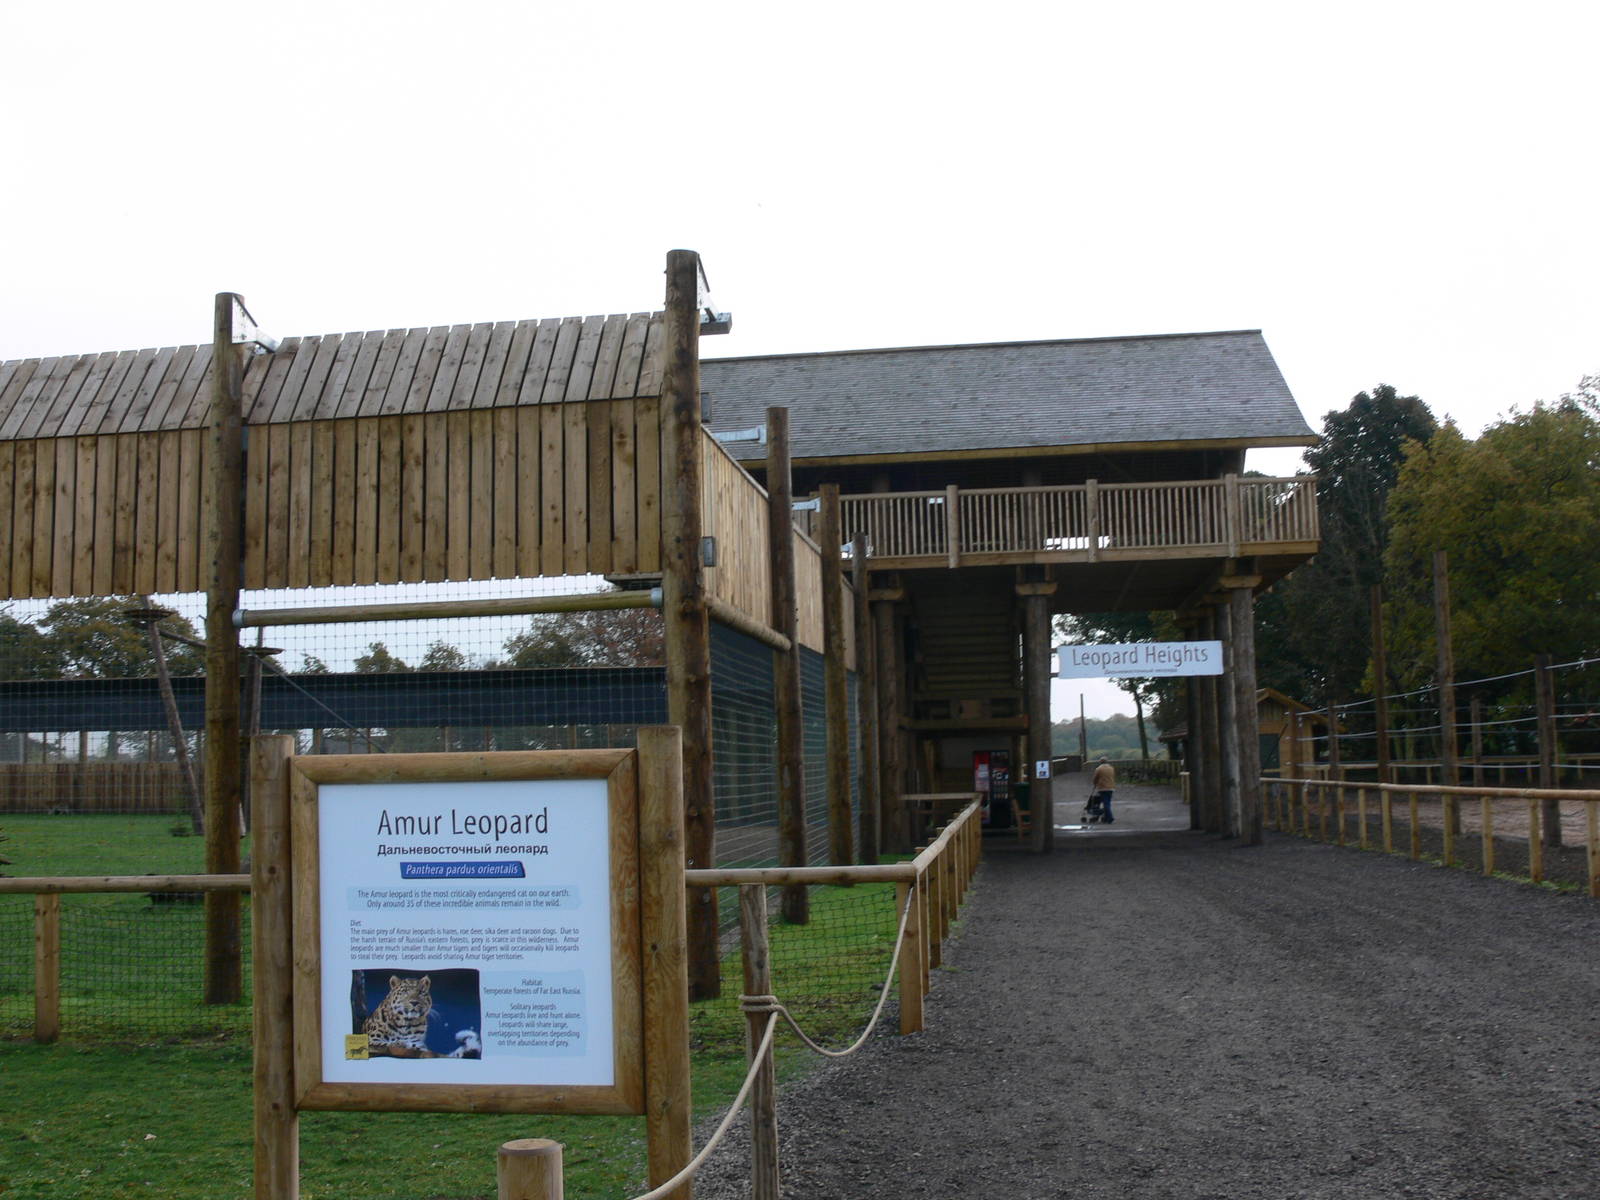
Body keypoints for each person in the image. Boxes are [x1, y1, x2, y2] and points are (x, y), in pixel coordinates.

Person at [1090, 757, 1116, 824]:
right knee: (1108, 802)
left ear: (1100, 762)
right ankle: (1106, 817)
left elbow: (1095, 778)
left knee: (1105, 803)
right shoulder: (1111, 768)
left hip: (1103, 788)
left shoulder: (1099, 769)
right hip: (1111, 787)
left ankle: (1110, 817)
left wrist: (1095, 783)